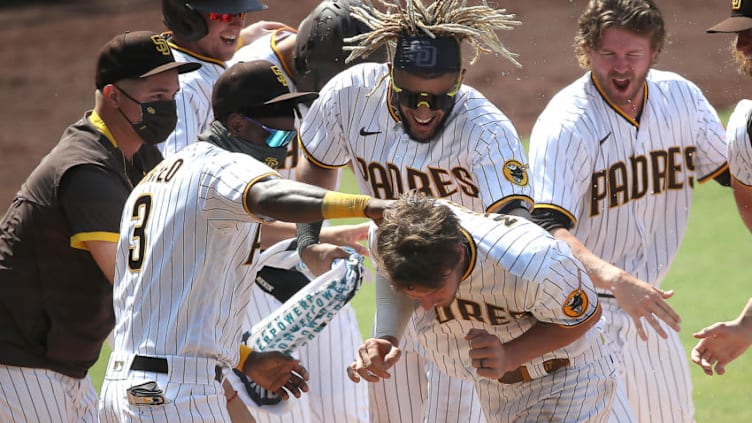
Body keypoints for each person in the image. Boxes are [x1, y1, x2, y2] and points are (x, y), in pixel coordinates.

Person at [97, 59, 391, 423]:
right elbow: (271, 197)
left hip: (137, 382)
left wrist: (305, 251)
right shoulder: (221, 166)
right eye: (274, 137)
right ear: (236, 125)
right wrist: (369, 206)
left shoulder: (164, 177)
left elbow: (200, 281)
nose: (281, 151)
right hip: (173, 392)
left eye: (289, 139)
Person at [294, 1, 533, 421]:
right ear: (389, 72)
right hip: (398, 281)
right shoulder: (349, 97)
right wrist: (308, 241)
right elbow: (314, 165)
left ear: (460, 79)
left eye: (439, 97)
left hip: (471, 301)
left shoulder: (486, 131)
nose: (424, 110)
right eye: (411, 96)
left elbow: (517, 226)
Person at [527, 1, 730, 422]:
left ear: (654, 52)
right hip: (579, 320)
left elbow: (734, 174)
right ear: (586, 51)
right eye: (609, 54)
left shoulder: (682, 99)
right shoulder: (567, 124)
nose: (621, 68)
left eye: (632, 55)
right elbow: (547, 226)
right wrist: (615, 278)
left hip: (650, 314)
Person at [0, 31, 199, 423]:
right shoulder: (86, 170)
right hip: (17, 365)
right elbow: (134, 286)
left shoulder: (137, 155)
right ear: (113, 96)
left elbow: (186, 223)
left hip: (62, 368)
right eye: (157, 97)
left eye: (173, 97)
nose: (168, 108)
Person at [227, 1, 386, 422]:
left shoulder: (339, 72)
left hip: (303, 262)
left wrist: (312, 240)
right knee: (283, 413)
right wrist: (321, 237)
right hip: (245, 275)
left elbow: (318, 173)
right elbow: (219, 219)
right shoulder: (245, 85)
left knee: (350, 410)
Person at [349, 191, 616, 423]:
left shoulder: (532, 261)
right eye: (417, 295)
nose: (427, 305)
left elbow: (586, 316)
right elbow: (391, 273)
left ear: (460, 253)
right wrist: (386, 334)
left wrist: (510, 354)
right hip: (493, 390)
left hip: (568, 380)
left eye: (434, 291)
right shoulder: (389, 235)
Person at [692, 0, 752, 376]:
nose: (742, 45)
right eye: (740, 35)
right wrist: (747, 324)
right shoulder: (745, 131)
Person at [158, 0, 276, 157]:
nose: (238, 24)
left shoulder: (192, 59)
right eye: (225, 15)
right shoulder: (185, 88)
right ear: (188, 20)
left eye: (240, 13)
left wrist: (241, 39)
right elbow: (176, 167)